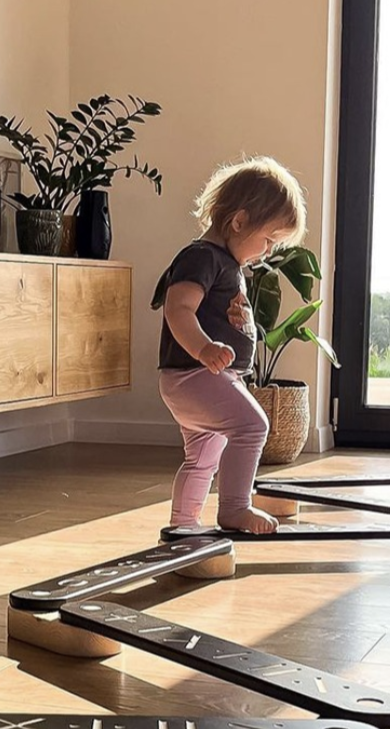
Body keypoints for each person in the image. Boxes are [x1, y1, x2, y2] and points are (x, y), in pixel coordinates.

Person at [152, 156, 307, 534]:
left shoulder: (224, 262)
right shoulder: (201, 257)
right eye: (268, 240)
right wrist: (204, 348)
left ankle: (184, 525)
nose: (268, 251)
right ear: (238, 222)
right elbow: (178, 308)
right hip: (196, 374)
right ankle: (235, 508)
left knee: (202, 458)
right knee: (253, 426)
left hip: (203, 376)